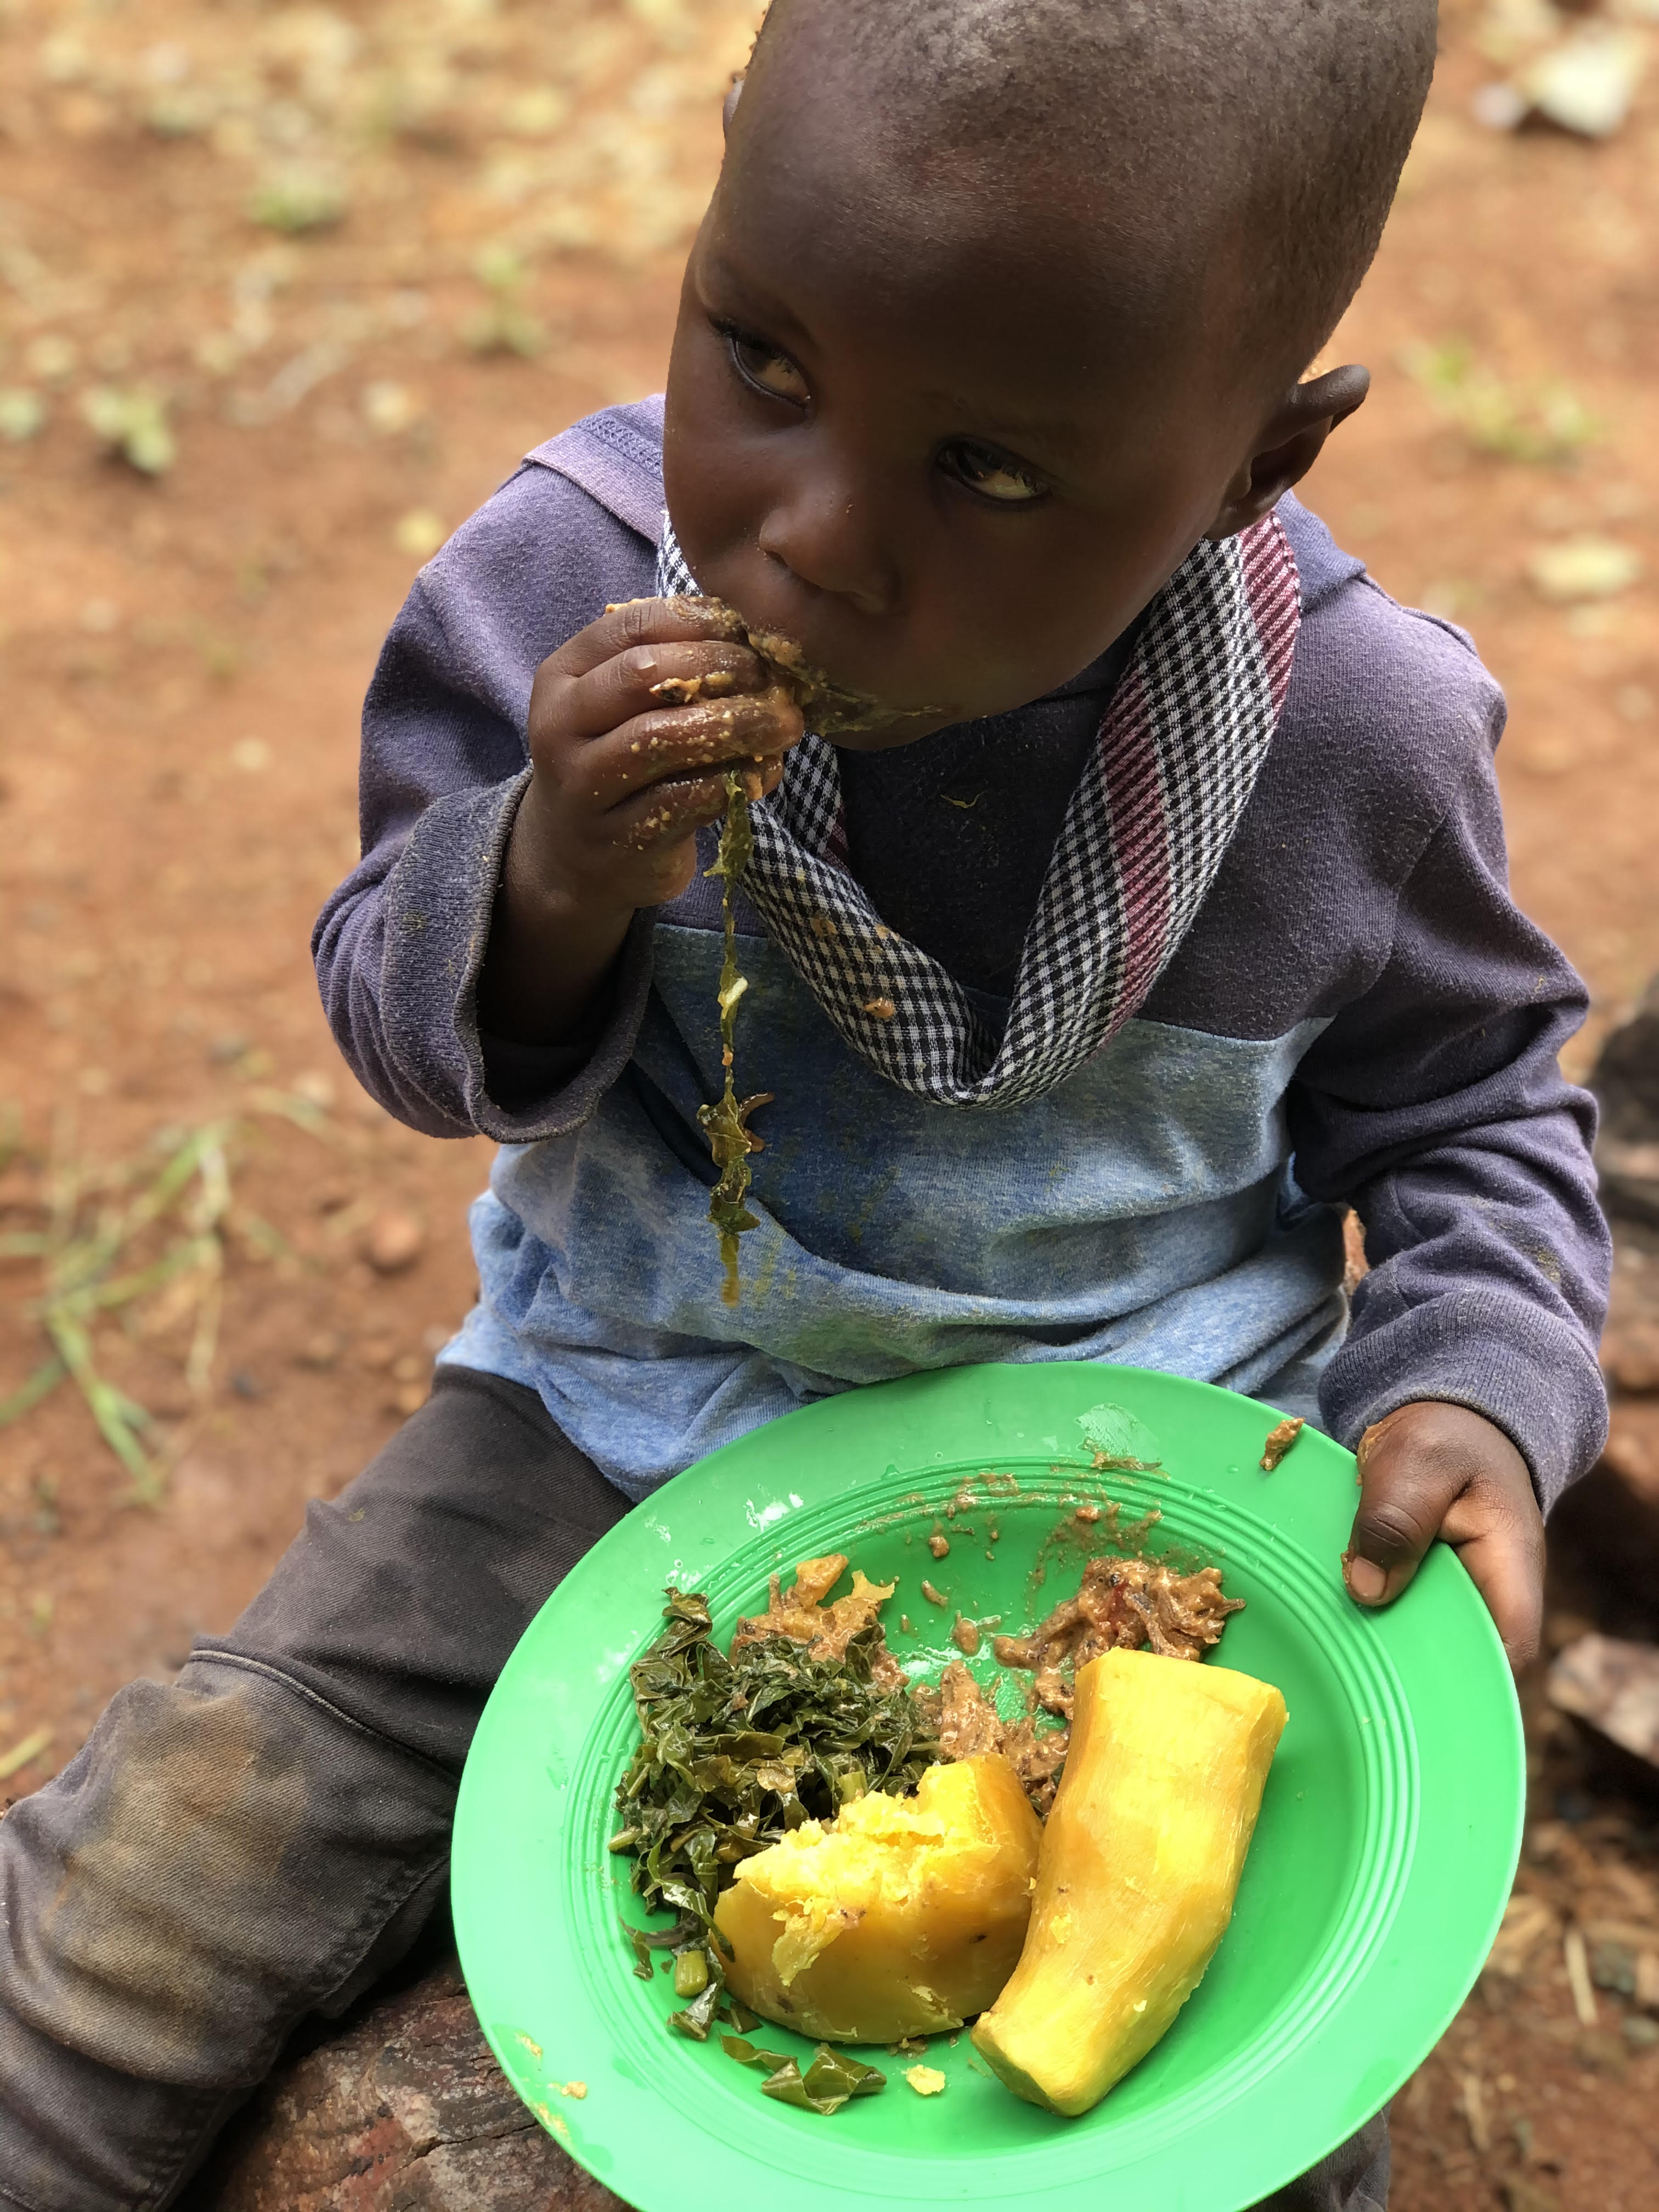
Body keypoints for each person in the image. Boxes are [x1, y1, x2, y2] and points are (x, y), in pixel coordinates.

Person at [0, 2, 1610, 2207]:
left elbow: (1477, 1113)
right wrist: (547, 877)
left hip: (1139, 1481)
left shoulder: (1355, 741)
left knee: (1255, 2083)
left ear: (1255, 456)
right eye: (761, 357)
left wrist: (1481, 1382)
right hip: (619, 1406)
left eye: (995, 471)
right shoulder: (565, 583)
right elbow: (394, 1016)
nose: (817, 535)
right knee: (171, 1859)